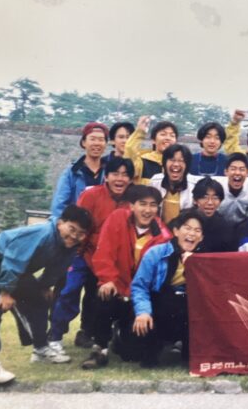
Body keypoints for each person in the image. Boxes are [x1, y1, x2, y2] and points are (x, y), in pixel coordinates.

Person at [0, 205, 92, 383]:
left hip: (16, 271)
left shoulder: (70, 245)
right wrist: (5, 292)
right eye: (72, 229)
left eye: (80, 233)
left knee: (40, 301)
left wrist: (44, 286)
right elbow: (13, 260)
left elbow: (56, 269)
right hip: (3, 263)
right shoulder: (42, 233)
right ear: (60, 223)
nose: (74, 236)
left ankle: (40, 349)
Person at [49, 157, 135, 353]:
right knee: (69, 291)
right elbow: (79, 225)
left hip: (112, 260)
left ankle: (92, 334)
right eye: (115, 174)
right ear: (107, 176)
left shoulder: (133, 201)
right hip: (84, 253)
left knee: (102, 297)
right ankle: (54, 336)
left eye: (125, 175)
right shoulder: (91, 195)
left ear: (131, 179)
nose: (120, 179)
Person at [84, 185, 171, 369]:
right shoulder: (117, 219)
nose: (147, 210)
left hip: (139, 297)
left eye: (153, 205)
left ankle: (120, 336)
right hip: (117, 288)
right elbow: (104, 253)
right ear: (131, 206)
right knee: (104, 294)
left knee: (131, 355)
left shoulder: (163, 236)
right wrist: (108, 280)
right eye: (142, 204)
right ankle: (99, 348)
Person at [131, 210, 204, 367]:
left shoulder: (203, 259)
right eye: (187, 228)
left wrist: (192, 265)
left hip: (187, 307)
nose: (192, 234)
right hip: (159, 305)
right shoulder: (156, 253)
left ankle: (184, 349)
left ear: (202, 237)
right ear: (176, 231)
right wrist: (143, 312)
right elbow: (140, 286)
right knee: (136, 355)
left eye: (197, 230)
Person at [51, 122, 109, 217]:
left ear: (106, 144)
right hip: (77, 223)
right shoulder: (71, 173)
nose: (97, 143)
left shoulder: (110, 172)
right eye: (92, 139)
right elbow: (59, 206)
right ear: (83, 142)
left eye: (101, 140)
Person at [149, 144, 202, 224]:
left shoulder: (195, 185)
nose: (176, 164)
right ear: (164, 163)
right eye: (172, 160)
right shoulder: (155, 181)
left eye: (181, 161)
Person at [124, 115, 178, 185]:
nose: (168, 138)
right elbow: (129, 150)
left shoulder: (179, 165)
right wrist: (140, 132)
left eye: (172, 135)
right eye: (163, 134)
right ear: (153, 140)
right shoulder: (143, 162)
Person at [213, 153, 248, 226]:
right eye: (233, 169)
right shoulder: (215, 186)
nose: (237, 173)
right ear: (226, 172)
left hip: (246, 226)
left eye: (242, 169)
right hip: (219, 225)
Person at [191, 177, 236, 253]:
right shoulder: (183, 221)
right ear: (195, 200)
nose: (210, 203)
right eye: (205, 197)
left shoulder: (226, 227)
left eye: (215, 198)